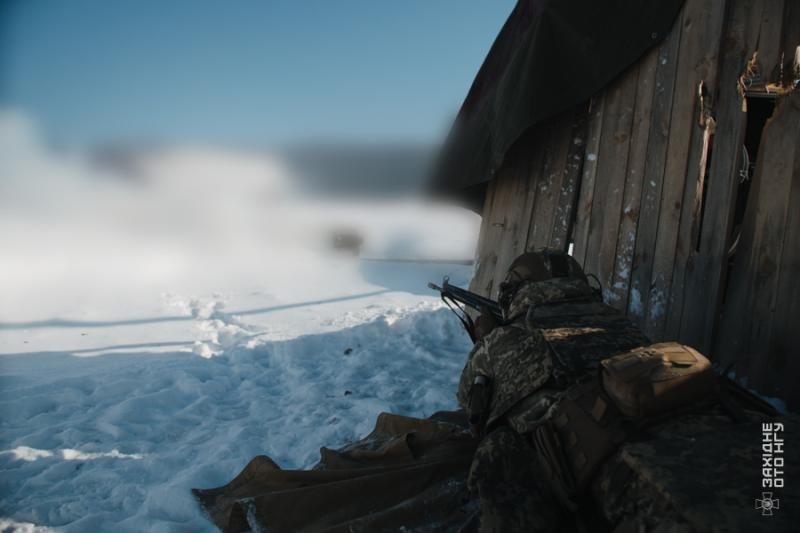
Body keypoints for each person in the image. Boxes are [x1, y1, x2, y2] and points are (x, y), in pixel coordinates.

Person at [458, 250, 785, 532]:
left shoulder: (504, 340)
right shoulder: (619, 320)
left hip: (620, 466)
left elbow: (471, 405)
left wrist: (486, 340)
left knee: (495, 451)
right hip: (726, 427)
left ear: (514, 291)